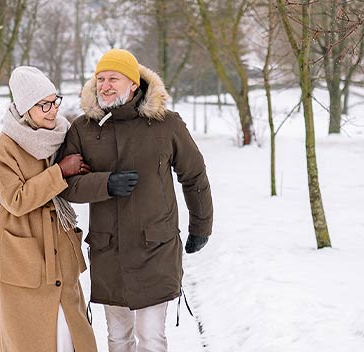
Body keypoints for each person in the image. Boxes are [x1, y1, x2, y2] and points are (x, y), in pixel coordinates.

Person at [59, 49, 214, 352]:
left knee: (151, 337)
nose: (104, 85)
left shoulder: (166, 124)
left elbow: (194, 175)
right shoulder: (83, 128)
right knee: (117, 339)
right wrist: (105, 184)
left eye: (113, 79)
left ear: (133, 83)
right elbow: (66, 185)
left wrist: (201, 226)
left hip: (154, 248)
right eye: (100, 79)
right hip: (109, 251)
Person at [0, 66, 97, 352]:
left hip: (57, 242)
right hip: (21, 247)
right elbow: (16, 199)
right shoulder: (6, 147)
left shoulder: (61, 134)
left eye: (54, 101)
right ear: (24, 109)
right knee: (33, 335)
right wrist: (59, 172)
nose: (52, 110)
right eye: (43, 105)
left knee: (69, 332)